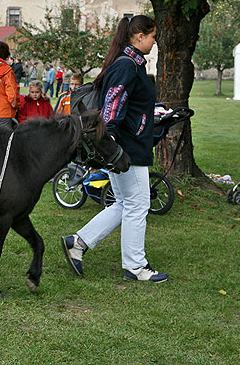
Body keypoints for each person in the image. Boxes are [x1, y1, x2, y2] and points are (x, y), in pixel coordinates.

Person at [62, 15, 167, 283]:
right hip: (126, 148)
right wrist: (110, 142)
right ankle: (135, 266)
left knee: (125, 203)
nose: (155, 42)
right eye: (153, 36)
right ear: (139, 36)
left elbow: (128, 105)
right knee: (138, 204)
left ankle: (78, 242)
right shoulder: (127, 66)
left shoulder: (132, 65)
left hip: (129, 144)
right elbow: (112, 107)